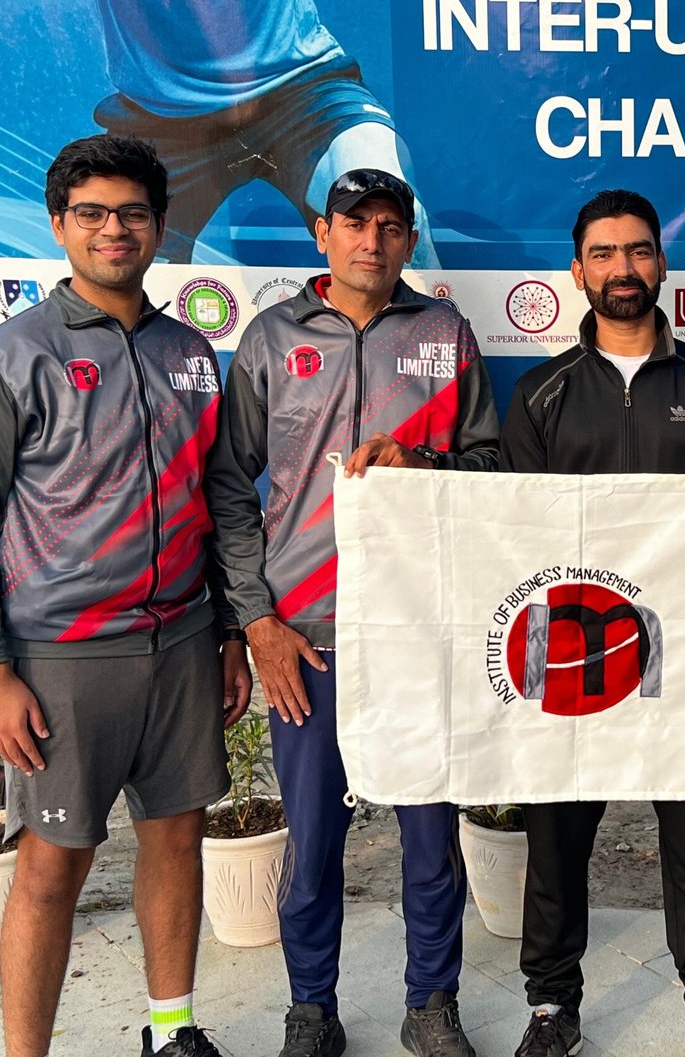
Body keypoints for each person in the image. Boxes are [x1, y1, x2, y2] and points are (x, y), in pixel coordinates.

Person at [0, 134, 253, 1057]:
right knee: (52, 865)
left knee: (176, 839)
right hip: (61, 659)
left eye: (133, 213)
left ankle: (171, 1029)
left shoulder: (191, 352)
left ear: (160, 224)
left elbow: (219, 499)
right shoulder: (11, 356)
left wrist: (231, 631)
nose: (115, 230)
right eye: (93, 214)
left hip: (182, 644)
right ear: (60, 226)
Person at [207, 168, 500, 1057]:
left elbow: (493, 467)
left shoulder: (445, 334)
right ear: (322, 234)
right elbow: (227, 487)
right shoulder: (271, 337)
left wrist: (426, 463)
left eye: (389, 225)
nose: (372, 240)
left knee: (430, 840)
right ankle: (312, 1008)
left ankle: (432, 1003)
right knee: (314, 840)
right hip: (306, 637)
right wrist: (256, 623)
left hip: (421, 628)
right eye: (354, 222)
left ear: (408, 240)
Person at [499, 189, 685, 1057]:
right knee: (556, 840)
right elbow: (511, 536)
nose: (623, 268)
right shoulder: (539, 394)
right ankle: (551, 1006)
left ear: (662, 263)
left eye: (639, 251)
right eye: (604, 253)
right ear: (578, 270)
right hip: (573, 658)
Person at [10, 0, 439, 265]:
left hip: (303, 90)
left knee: (400, 218)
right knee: (115, 277)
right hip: (162, 120)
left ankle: (438, 323)